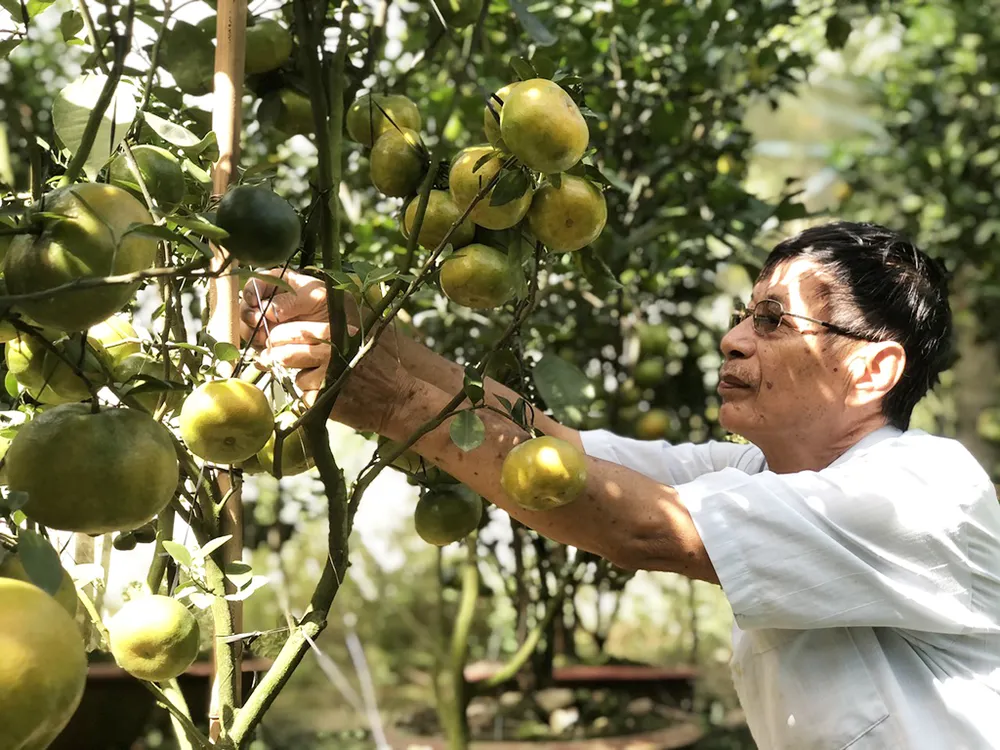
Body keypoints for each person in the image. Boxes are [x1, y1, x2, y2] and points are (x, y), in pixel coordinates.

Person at [239, 221, 1000, 749]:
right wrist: (377, 340)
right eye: (743, 314)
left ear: (872, 368)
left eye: (773, 321)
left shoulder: (921, 491)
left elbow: (636, 524)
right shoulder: (755, 473)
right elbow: (560, 451)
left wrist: (401, 402)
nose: (732, 338)